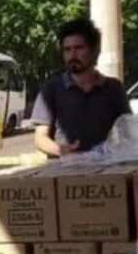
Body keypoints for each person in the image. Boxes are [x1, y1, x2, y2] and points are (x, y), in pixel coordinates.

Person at [30, 18, 131, 156]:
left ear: (94, 50)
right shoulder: (51, 89)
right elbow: (40, 138)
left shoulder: (114, 88)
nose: (72, 55)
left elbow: (127, 132)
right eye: (67, 50)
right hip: (64, 171)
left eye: (79, 48)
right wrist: (62, 150)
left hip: (106, 170)